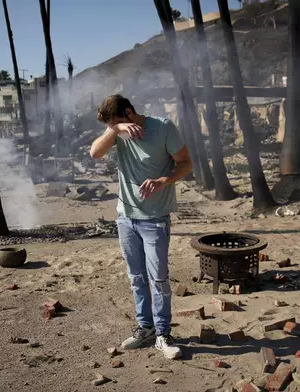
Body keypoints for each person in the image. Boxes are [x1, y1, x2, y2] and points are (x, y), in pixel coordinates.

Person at [89, 94, 193, 359]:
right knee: (136, 278)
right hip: (125, 217)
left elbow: (185, 163)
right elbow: (94, 152)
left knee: (158, 279)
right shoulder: (118, 133)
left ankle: (162, 334)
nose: (114, 128)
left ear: (129, 112)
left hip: (155, 218)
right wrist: (115, 129)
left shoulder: (163, 127)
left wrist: (162, 180)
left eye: (117, 121)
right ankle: (145, 329)